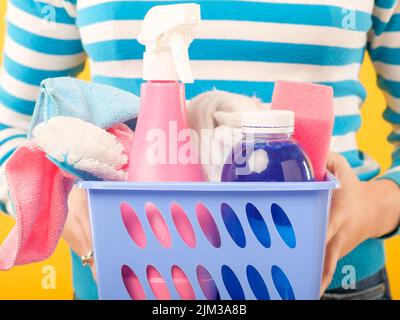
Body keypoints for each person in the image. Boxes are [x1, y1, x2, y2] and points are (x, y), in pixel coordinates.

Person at [0, 0, 399, 300]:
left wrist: (370, 209)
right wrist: (67, 212)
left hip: (326, 282)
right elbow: (12, 128)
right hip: (129, 283)